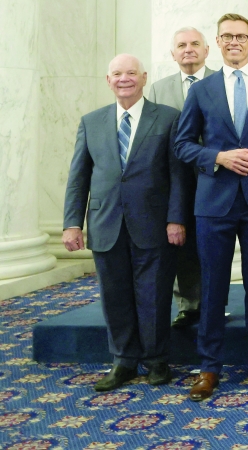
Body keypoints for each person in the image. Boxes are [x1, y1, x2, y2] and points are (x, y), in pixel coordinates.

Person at [175, 13, 248, 401]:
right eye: (227, 36)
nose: (235, 42)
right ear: (217, 43)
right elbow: (183, 144)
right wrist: (218, 157)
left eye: (241, 36)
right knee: (213, 287)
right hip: (214, 202)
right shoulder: (202, 90)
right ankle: (209, 367)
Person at [64, 54, 187, 391]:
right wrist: (71, 223)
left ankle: (157, 359)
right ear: (108, 80)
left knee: (154, 295)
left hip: (155, 223)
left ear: (144, 78)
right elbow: (78, 178)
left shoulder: (168, 118)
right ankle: (123, 361)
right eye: (117, 74)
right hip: (106, 223)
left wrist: (177, 218)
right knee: (114, 295)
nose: (124, 79)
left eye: (131, 73)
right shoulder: (91, 122)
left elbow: (178, 176)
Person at [147, 27, 216, 329]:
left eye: (195, 44)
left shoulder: (221, 82)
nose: (188, 49)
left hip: (217, 174)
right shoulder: (158, 90)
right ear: (172, 53)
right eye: (181, 45)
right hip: (176, 179)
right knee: (182, 242)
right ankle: (189, 305)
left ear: (206, 50)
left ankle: (215, 302)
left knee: (215, 244)